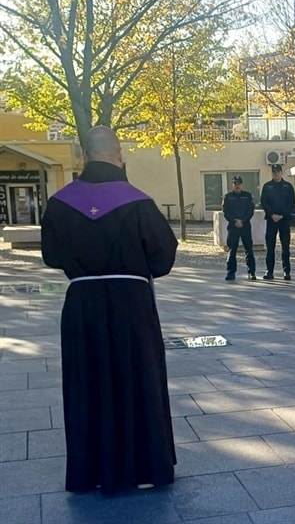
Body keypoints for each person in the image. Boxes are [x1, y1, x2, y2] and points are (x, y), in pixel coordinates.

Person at [41, 125, 177, 493]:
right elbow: (163, 257)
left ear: (84, 156)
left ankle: (92, 470)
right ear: (118, 154)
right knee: (138, 378)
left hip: (83, 303)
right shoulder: (137, 201)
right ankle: (144, 464)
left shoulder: (60, 202)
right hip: (130, 303)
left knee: (88, 382)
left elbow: (51, 255)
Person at [260, 163, 295, 281]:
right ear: (272, 173)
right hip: (271, 220)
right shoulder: (267, 186)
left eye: (278, 172)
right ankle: (269, 271)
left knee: (285, 247)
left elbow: (291, 203)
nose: (276, 174)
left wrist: (282, 215)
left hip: (284, 220)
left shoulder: (288, 186)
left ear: (281, 173)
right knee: (270, 247)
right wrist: (272, 214)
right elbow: (264, 202)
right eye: (274, 172)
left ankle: (287, 271)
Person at [222, 175, 256, 281]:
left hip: (245, 226)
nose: (237, 186)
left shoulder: (248, 196)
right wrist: (234, 221)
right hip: (233, 226)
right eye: (235, 184)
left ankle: (251, 273)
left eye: (239, 184)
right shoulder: (227, 197)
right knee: (232, 250)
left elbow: (250, 211)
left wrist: (243, 221)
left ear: (242, 185)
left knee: (249, 250)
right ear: (232, 185)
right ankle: (230, 273)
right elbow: (225, 212)